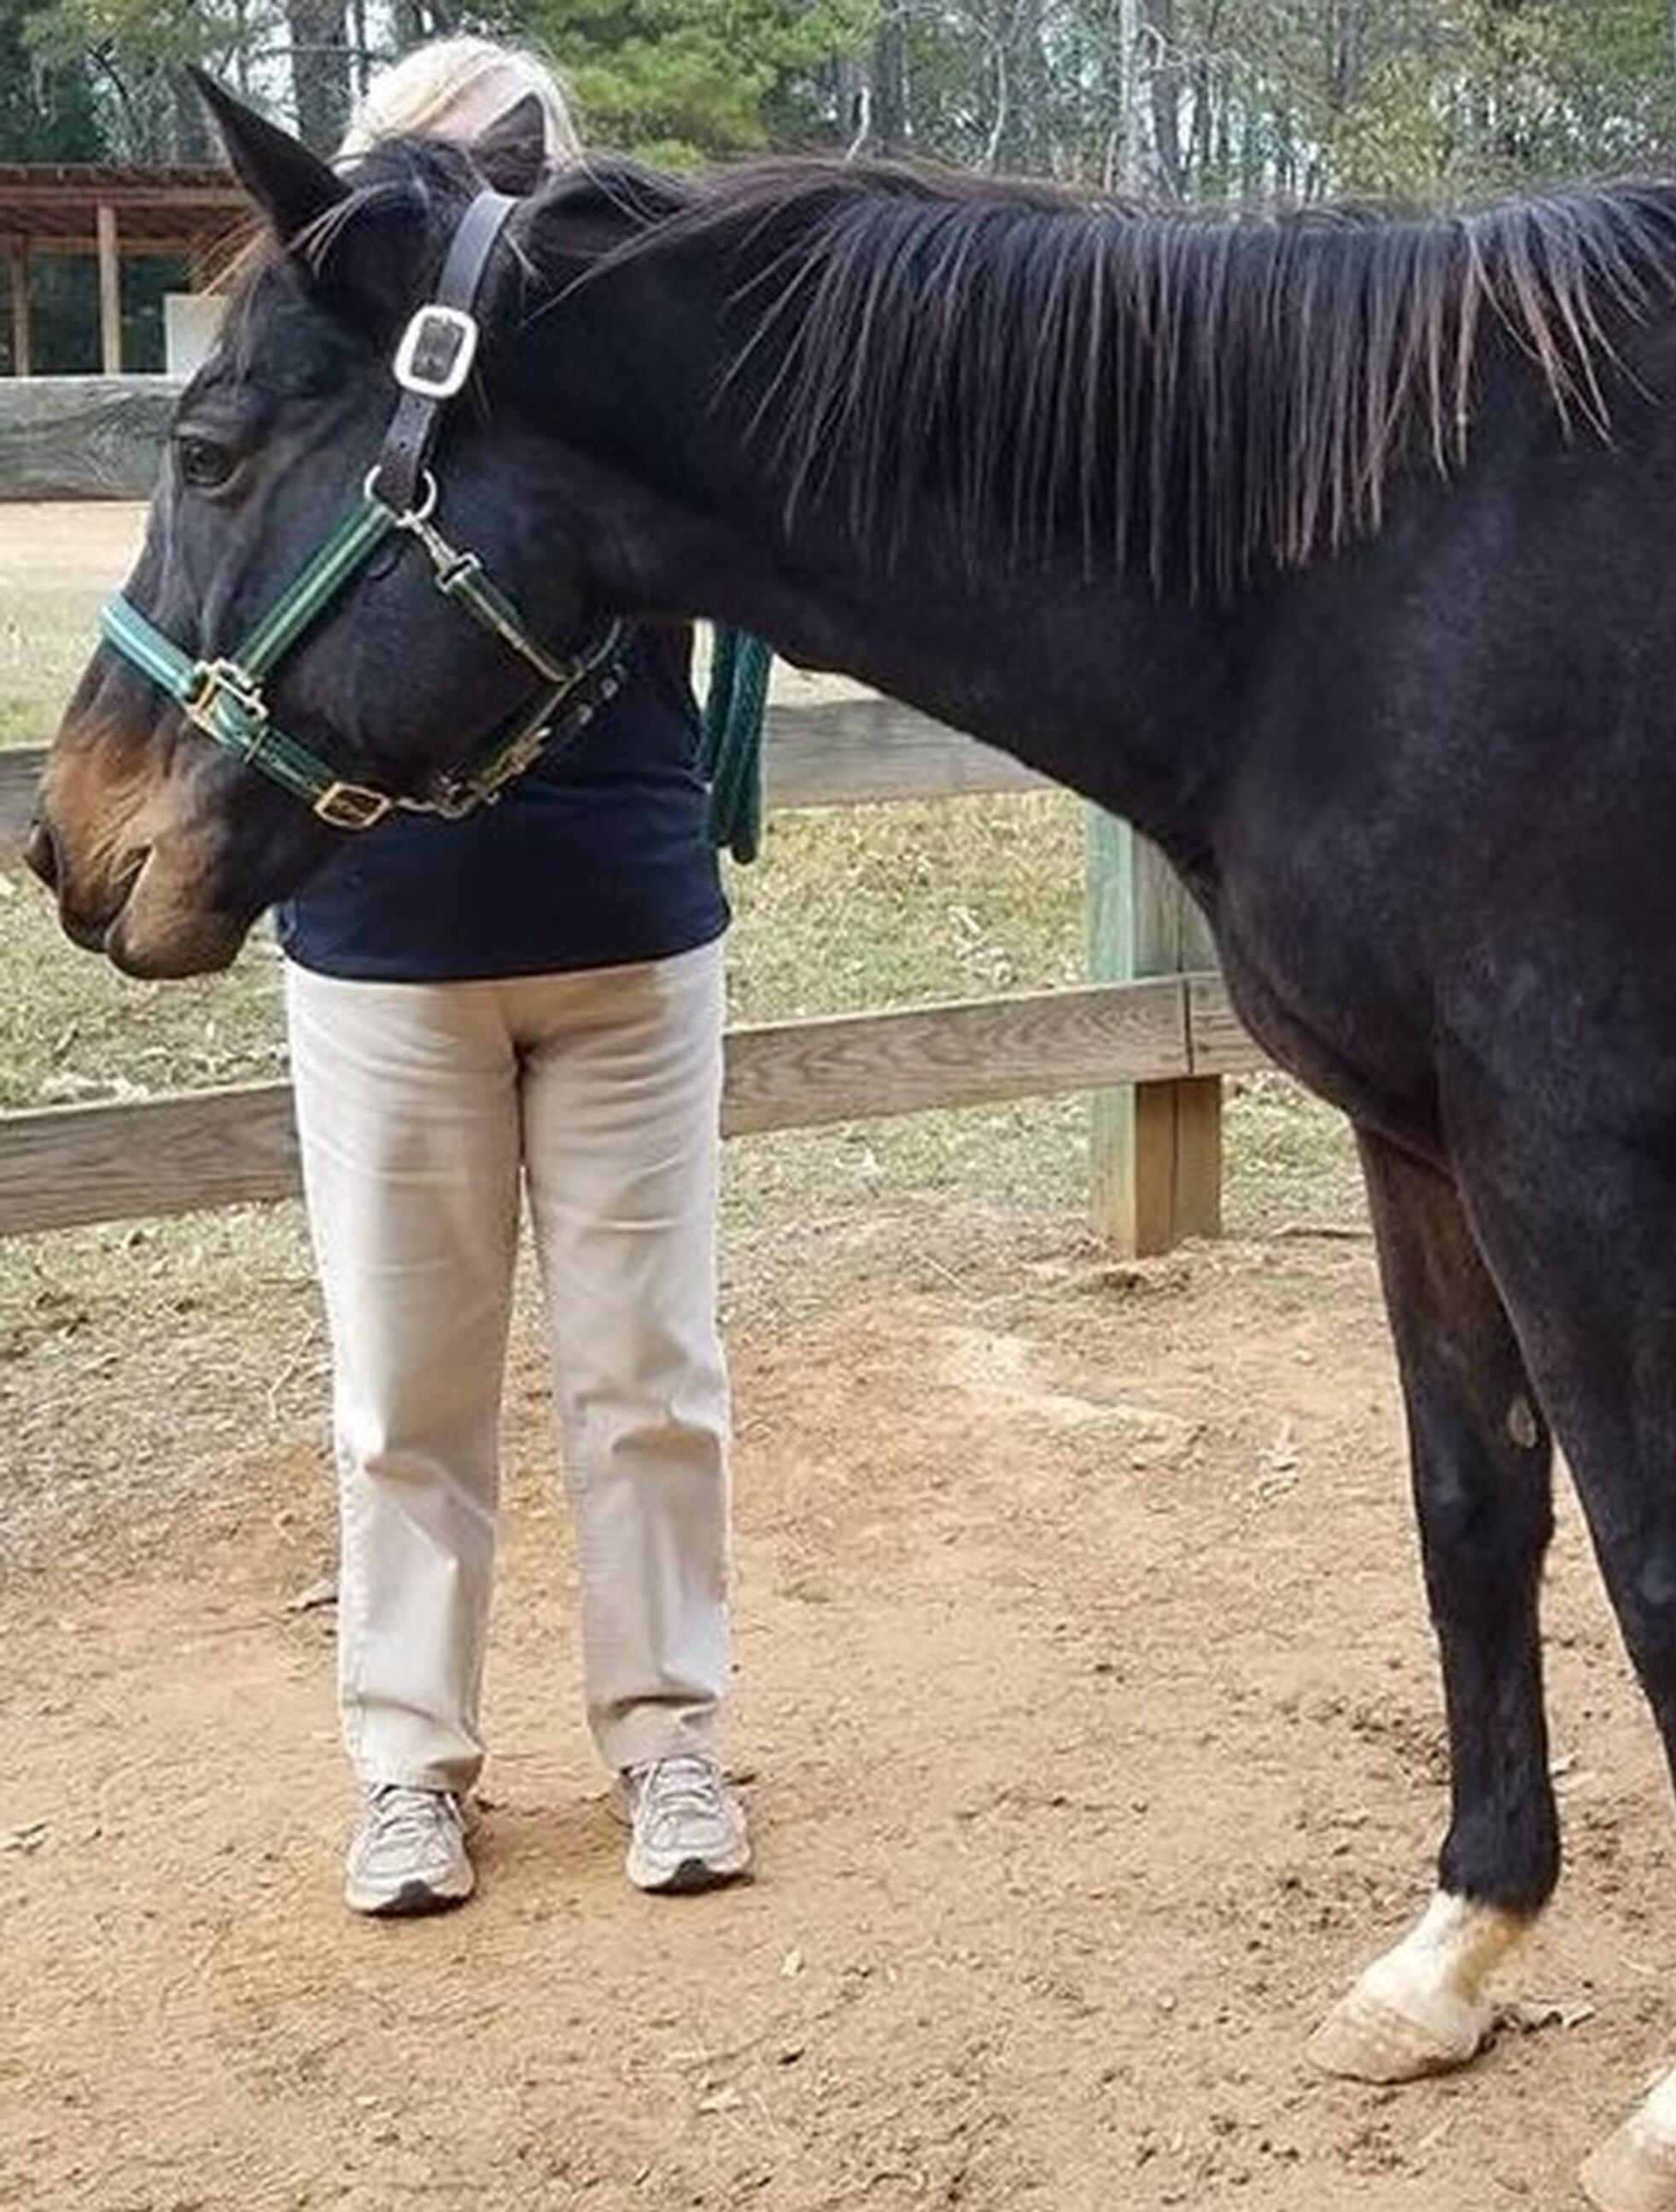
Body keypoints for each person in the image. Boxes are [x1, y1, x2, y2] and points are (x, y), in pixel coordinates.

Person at [281, 37, 750, 1915]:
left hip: (630, 923)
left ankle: (669, 1736)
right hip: (384, 941)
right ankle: (410, 1766)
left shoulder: (628, 368)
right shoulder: (332, 391)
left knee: (652, 1374)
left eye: (517, 163)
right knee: (407, 1392)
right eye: (445, 166)